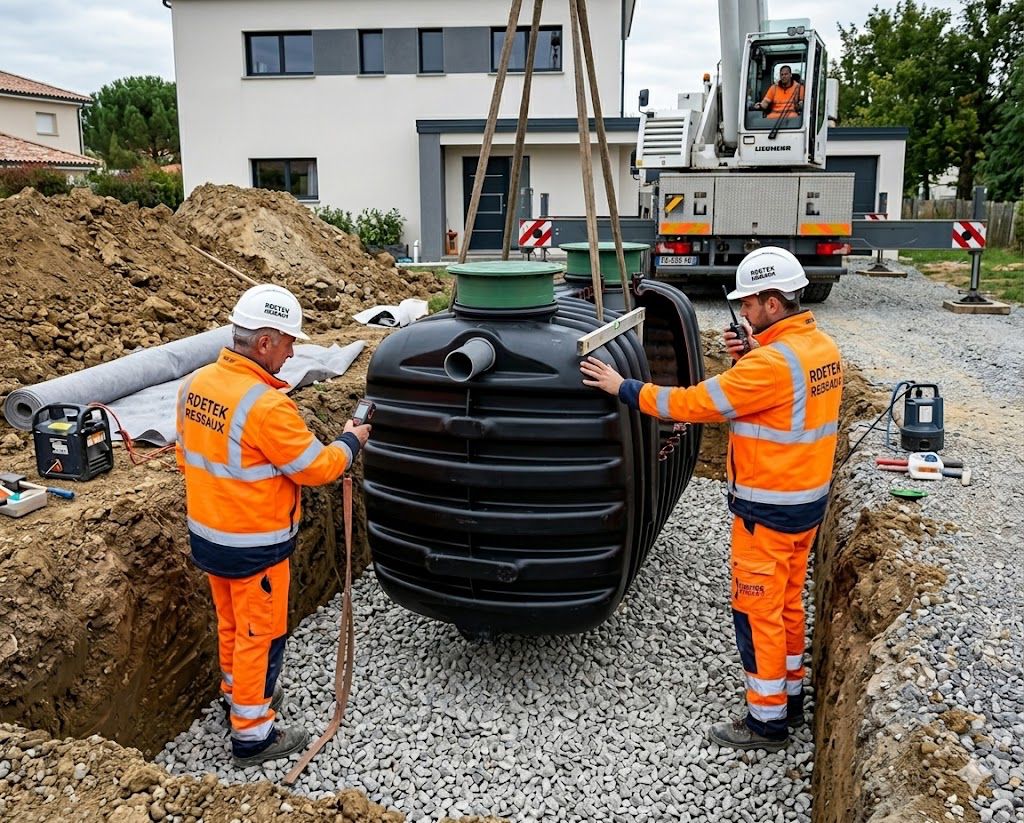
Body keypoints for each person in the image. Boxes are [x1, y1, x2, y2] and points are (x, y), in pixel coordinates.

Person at [580, 247, 842, 751]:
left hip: (766, 510)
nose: (742, 312)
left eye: (748, 303)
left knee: (756, 611)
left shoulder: (770, 365)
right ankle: (790, 695)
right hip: (806, 504)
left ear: (771, 302)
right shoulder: (818, 348)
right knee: (787, 604)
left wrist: (624, 386)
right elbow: (782, 399)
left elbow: (693, 403)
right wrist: (749, 355)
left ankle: (766, 724)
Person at [175, 283, 371, 767]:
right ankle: (252, 734)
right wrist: (351, 442)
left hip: (208, 535)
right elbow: (317, 469)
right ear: (264, 342)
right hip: (253, 545)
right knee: (259, 634)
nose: (291, 352)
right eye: (288, 342)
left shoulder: (195, 385)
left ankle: (234, 694)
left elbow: (188, 457)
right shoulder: (266, 406)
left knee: (232, 622)